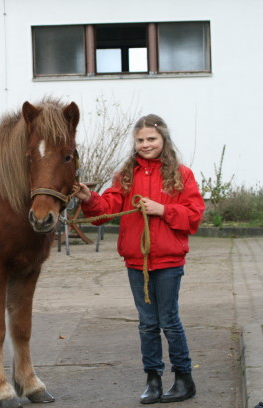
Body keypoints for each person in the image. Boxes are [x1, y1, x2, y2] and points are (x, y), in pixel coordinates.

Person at [73, 114, 205, 404]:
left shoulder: (181, 175)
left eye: (151, 139)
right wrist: (88, 198)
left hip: (169, 262)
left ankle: (184, 379)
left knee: (169, 321)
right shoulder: (125, 176)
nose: (146, 145)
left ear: (163, 140)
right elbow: (107, 208)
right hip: (137, 262)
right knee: (147, 323)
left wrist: (163, 209)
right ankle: (153, 379)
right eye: (140, 140)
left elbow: (194, 215)